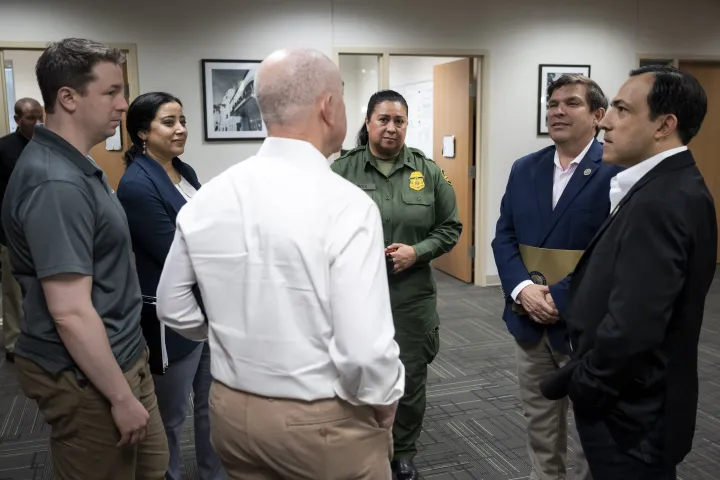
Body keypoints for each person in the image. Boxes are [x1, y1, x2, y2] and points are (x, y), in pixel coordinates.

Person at [156, 48, 405, 480]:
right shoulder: (346, 205)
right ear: (328, 108)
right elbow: (365, 352)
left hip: (230, 412)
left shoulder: (208, 196)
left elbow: (171, 305)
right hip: (321, 422)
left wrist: (227, 335)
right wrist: (385, 402)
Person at [0, 38, 168, 479]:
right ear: (68, 98)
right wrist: (119, 396)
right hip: (86, 376)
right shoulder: (56, 183)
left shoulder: (76, 166)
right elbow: (71, 311)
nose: (123, 104)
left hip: (120, 353)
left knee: (153, 466)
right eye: (111, 92)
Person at [540, 65, 717, 479]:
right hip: (634, 407)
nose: (605, 121)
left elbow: (634, 326)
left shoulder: (664, 200)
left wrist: (587, 387)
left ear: (664, 125)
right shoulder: (658, 186)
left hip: (631, 418)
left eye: (621, 109)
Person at [492, 74, 622, 480]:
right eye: (552, 104)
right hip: (529, 320)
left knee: (589, 428)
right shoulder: (525, 168)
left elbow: (613, 254)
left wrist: (557, 298)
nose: (557, 111)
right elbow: (504, 236)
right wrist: (523, 290)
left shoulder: (616, 172)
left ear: (599, 115)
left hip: (585, 324)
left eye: (571, 103)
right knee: (540, 423)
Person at [331, 89, 462, 480]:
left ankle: (403, 450)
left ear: (407, 125)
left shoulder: (429, 172)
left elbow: (450, 227)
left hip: (410, 296)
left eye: (399, 121)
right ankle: (360, 444)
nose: (391, 127)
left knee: (409, 373)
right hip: (354, 294)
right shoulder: (341, 172)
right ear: (368, 122)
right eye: (383, 119)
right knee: (352, 369)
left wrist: (417, 252)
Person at [117, 92, 224, 480]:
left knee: (212, 405)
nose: (180, 129)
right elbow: (172, 252)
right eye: (168, 122)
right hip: (172, 316)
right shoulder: (136, 185)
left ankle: (215, 474)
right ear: (143, 132)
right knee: (171, 414)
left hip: (207, 305)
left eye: (182, 119)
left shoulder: (184, 170)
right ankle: (171, 475)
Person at [0, 97, 42, 362]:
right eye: (31, 118)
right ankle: (14, 342)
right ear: (17, 120)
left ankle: (42, 338)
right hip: (11, 233)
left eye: (40, 116)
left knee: (44, 289)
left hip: (43, 231)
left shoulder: (49, 146)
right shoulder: (3, 148)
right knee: (14, 292)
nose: (38, 122)